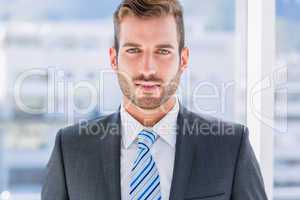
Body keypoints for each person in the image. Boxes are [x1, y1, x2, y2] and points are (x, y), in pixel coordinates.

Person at [41, 0, 268, 199]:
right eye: (133, 50)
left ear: (184, 59)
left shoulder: (230, 147)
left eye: (162, 51)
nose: (147, 68)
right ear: (113, 58)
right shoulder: (70, 150)